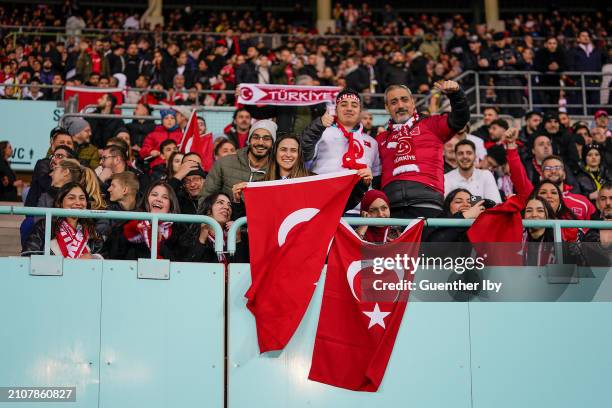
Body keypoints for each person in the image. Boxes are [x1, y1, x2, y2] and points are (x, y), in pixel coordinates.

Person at [376, 81, 470, 218]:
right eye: (394, 102)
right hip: (392, 209)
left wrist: (456, 95)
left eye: (404, 100)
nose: (400, 105)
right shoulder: (380, 139)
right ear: (387, 108)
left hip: (427, 205)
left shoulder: (431, 124)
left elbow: (460, 119)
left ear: (413, 103)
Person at [301, 89, 377, 212]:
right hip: (322, 207)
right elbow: (303, 153)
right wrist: (318, 125)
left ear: (360, 111)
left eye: (354, 105)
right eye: (343, 104)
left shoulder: (373, 143)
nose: (349, 108)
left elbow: (377, 178)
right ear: (336, 109)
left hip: (359, 212)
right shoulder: (322, 131)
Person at [202, 120, 276, 217]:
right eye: (256, 137)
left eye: (266, 138)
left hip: (261, 228)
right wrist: (210, 224)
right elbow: (205, 198)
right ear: (249, 140)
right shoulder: (224, 163)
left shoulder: (277, 169)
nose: (260, 142)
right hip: (224, 229)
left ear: (273, 143)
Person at [103, 181, 188, 260]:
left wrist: (158, 242)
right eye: (154, 195)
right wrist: (133, 232)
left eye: (165, 197)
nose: (158, 199)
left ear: (171, 206)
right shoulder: (128, 222)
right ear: (146, 200)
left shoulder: (180, 230)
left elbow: (181, 263)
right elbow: (112, 255)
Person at [22, 182, 104, 258]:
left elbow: (104, 258)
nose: (78, 202)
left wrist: (93, 258)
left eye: (82, 198)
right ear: (60, 202)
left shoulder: (92, 231)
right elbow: (29, 255)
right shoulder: (45, 226)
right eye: (71, 198)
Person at [184, 193, 249, 263]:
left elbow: (242, 268)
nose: (227, 207)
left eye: (229, 205)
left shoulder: (240, 236)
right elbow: (187, 267)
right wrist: (201, 240)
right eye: (220, 203)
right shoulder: (191, 236)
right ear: (209, 210)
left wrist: (238, 240)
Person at [580, 183, 612, 266]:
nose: (608, 203)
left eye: (611, 198)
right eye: (603, 199)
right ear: (598, 203)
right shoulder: (590, 232)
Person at [521, 195, 556, 266]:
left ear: (548, 216)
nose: (534, 215)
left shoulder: (557, 242)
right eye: (529, 211)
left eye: (540, 211)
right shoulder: (517, 238)